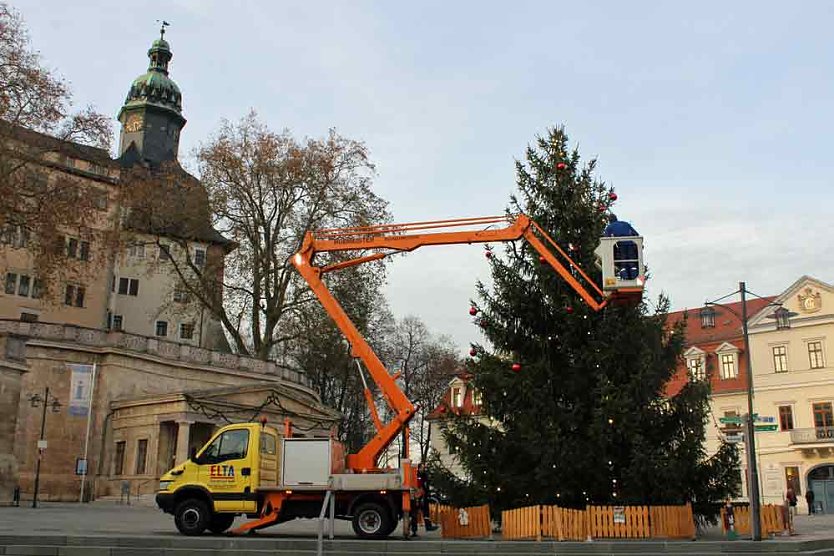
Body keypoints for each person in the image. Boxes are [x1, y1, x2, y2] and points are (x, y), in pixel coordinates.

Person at [603, 214, 640, 280]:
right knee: (632, 263)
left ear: (609, 221)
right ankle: (634, 278)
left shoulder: (610, 227)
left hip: (621, 246)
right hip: (631, 245)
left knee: (623, 264)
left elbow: (606, 240)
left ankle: (626, 278)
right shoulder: (625, 224)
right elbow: (636, 234)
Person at [409, 464, 438, 537]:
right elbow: (416, 486)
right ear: (418, 468)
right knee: (415, 514)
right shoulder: (417, 476)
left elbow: (425, 485)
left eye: (423, 468)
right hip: (417, 496)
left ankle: (427, 526)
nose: (423, 469)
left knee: (425, 511)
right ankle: (414, 530)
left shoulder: (424, 475)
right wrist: (418, 494)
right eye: (422, 468)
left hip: (422, 495)